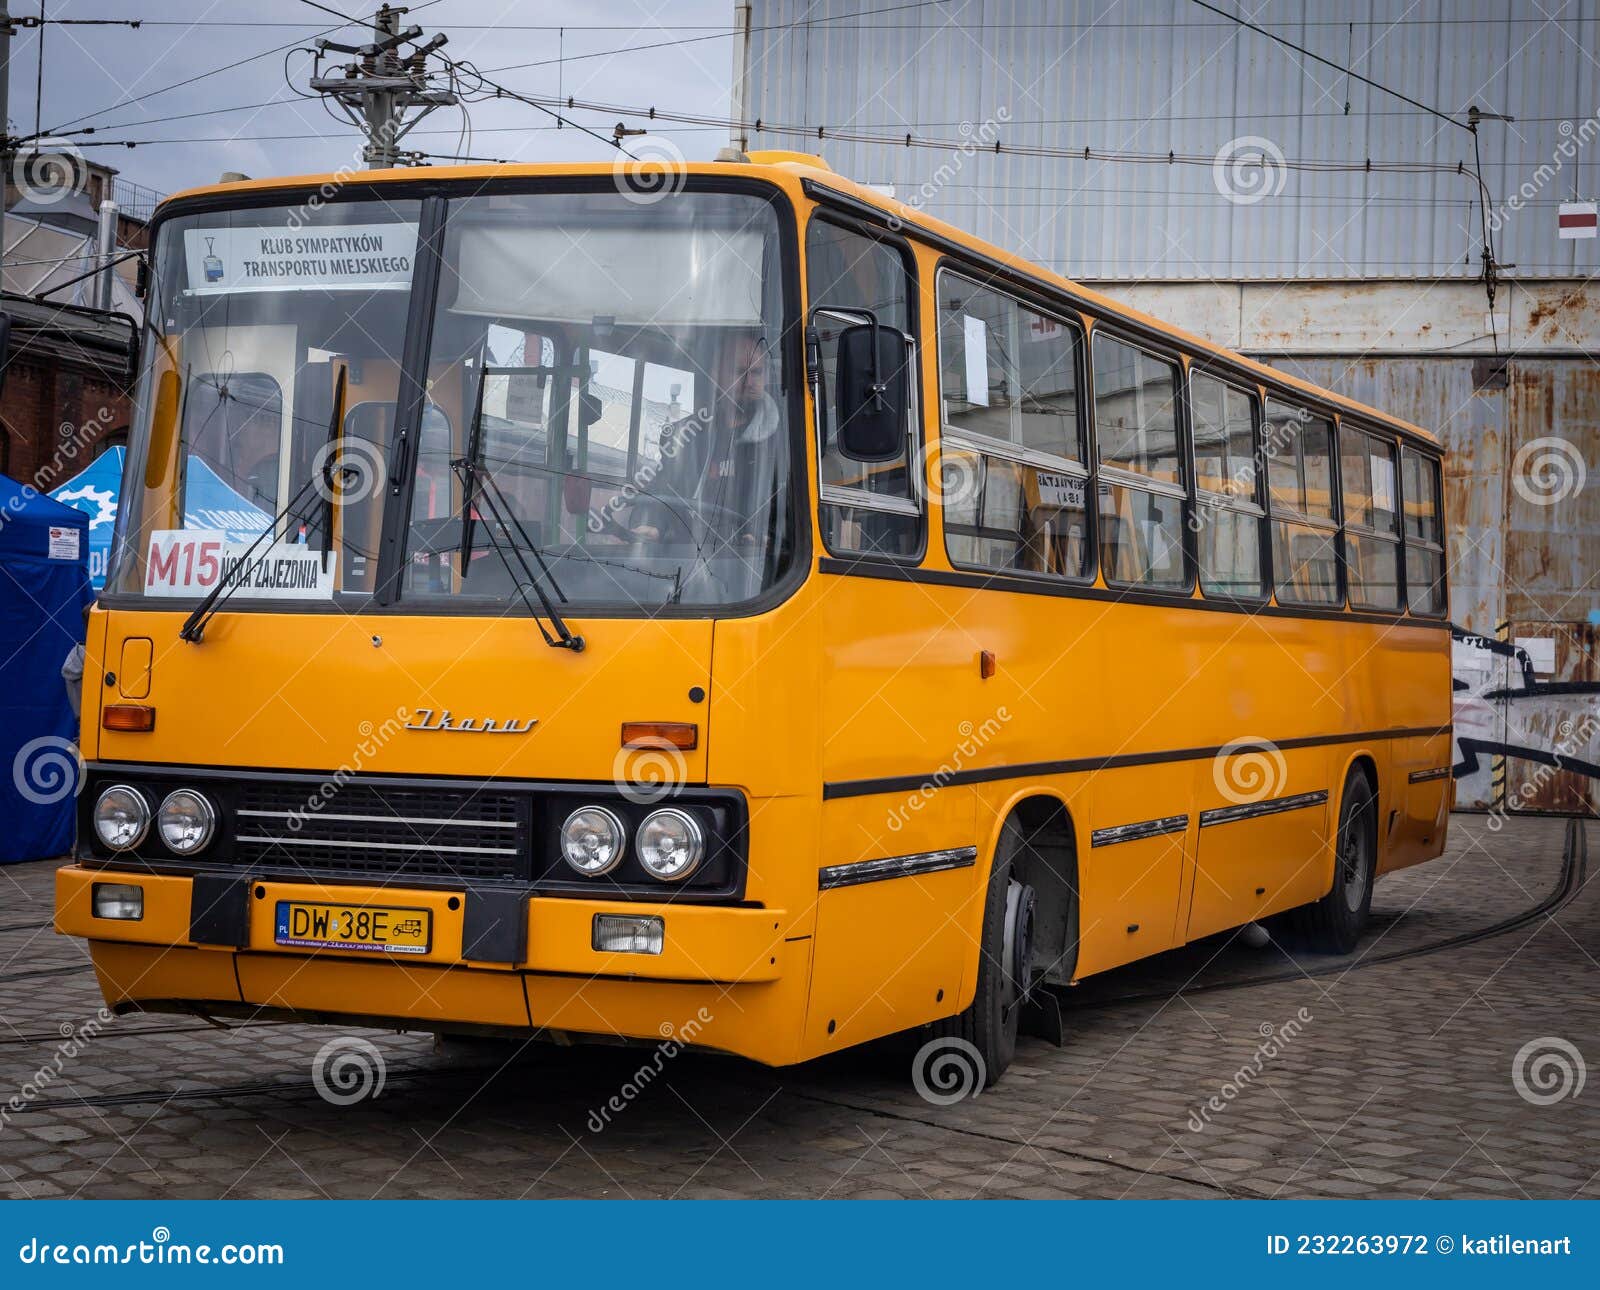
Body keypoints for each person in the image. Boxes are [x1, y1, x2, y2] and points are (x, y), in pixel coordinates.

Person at [629, 332, 785, 552]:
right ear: (716, 376)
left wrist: (770, 534)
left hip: (754, 570)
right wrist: (650, 523)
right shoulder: (685, 436)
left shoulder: (783, 442)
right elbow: (663, 488)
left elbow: (791, 508)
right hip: (686, 563)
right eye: (740, 372)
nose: (749, 382)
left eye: (757, 373)